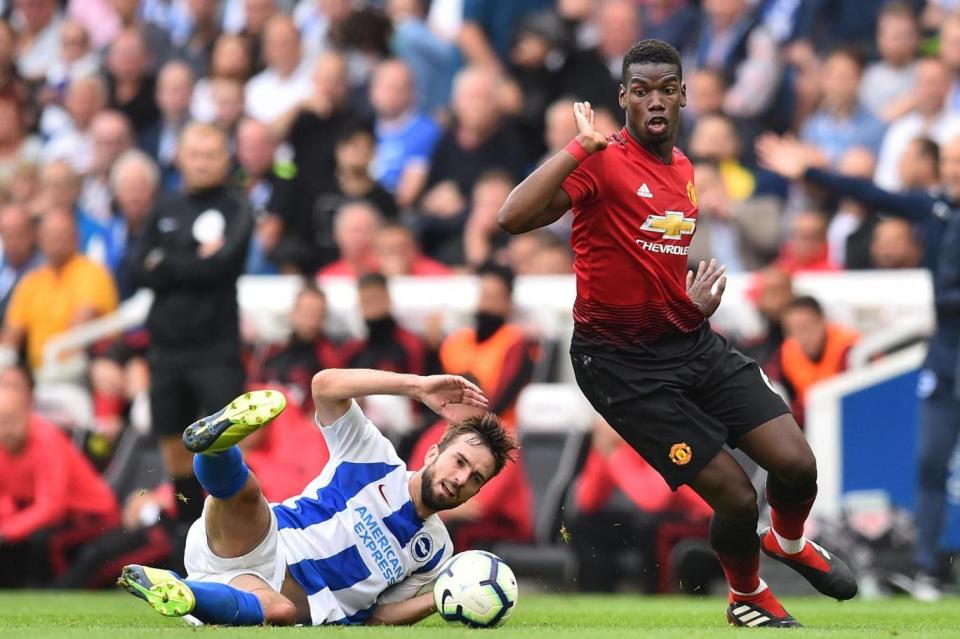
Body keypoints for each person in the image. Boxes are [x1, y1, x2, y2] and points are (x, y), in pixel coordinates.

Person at [497, 39, 857, 627]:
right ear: (624, 99)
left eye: (667, 89)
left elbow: (651, 265)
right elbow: (511, 218)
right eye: (641, 92)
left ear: (684, 95)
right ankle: (745, 596)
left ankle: (789, 545)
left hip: (688, 338)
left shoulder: (685, 170)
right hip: (619, 365)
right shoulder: (601, 160)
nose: (655, 102)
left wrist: (689, 304)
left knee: (797, 464)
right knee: (739, 496)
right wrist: (575, 148)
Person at [118, 369, 514, 626]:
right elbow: (324, 386)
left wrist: (444, 596)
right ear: (433, 453)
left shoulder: (435, 552)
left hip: (270, 598)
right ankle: (216, 447)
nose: (461, 478)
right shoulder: (374, 457)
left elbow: (378, 618)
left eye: (475, 478)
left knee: (279, 612)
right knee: (249, 495)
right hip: (265, 542)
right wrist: (416, 386)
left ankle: (180, 590)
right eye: (459, 461)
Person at [127, 122, 253, 563]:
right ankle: (188, 545)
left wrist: (167, 262)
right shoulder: (165, 205)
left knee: (223, 450)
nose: (201, 161)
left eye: (210, 153)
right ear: (179, 157)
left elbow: (221, 266)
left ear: (225, 159)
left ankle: (236, 548)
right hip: (166, 351)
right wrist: (186, 263)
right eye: (193, 153)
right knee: (173, 452)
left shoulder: (238, 207)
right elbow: (135, 268)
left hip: (216, 350)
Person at [0, 365, 120, 587]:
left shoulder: (46, 438)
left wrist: (8, 530)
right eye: (1, 422)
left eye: (12, 420)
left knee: (44, 541)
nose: (7, 430)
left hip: (92, 514)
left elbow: (51, 507)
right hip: (54, 515)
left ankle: (56, 591)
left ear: (28, 413)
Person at [2, 209, 119, 372]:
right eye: (50, 235)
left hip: (80, 368)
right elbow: (12, 335)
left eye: (63, 234)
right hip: (35, 372)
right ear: (39, 239)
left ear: (76, 237)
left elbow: (80, 328)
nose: (57, 241)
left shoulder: (92, 272)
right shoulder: (31, 281)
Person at [772, 296, 860, 427]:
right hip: (809, 426)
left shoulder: (850, 349)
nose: (802, 336)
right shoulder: (786, 352)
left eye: (806, 327)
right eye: (792, 330)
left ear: (823, 321)